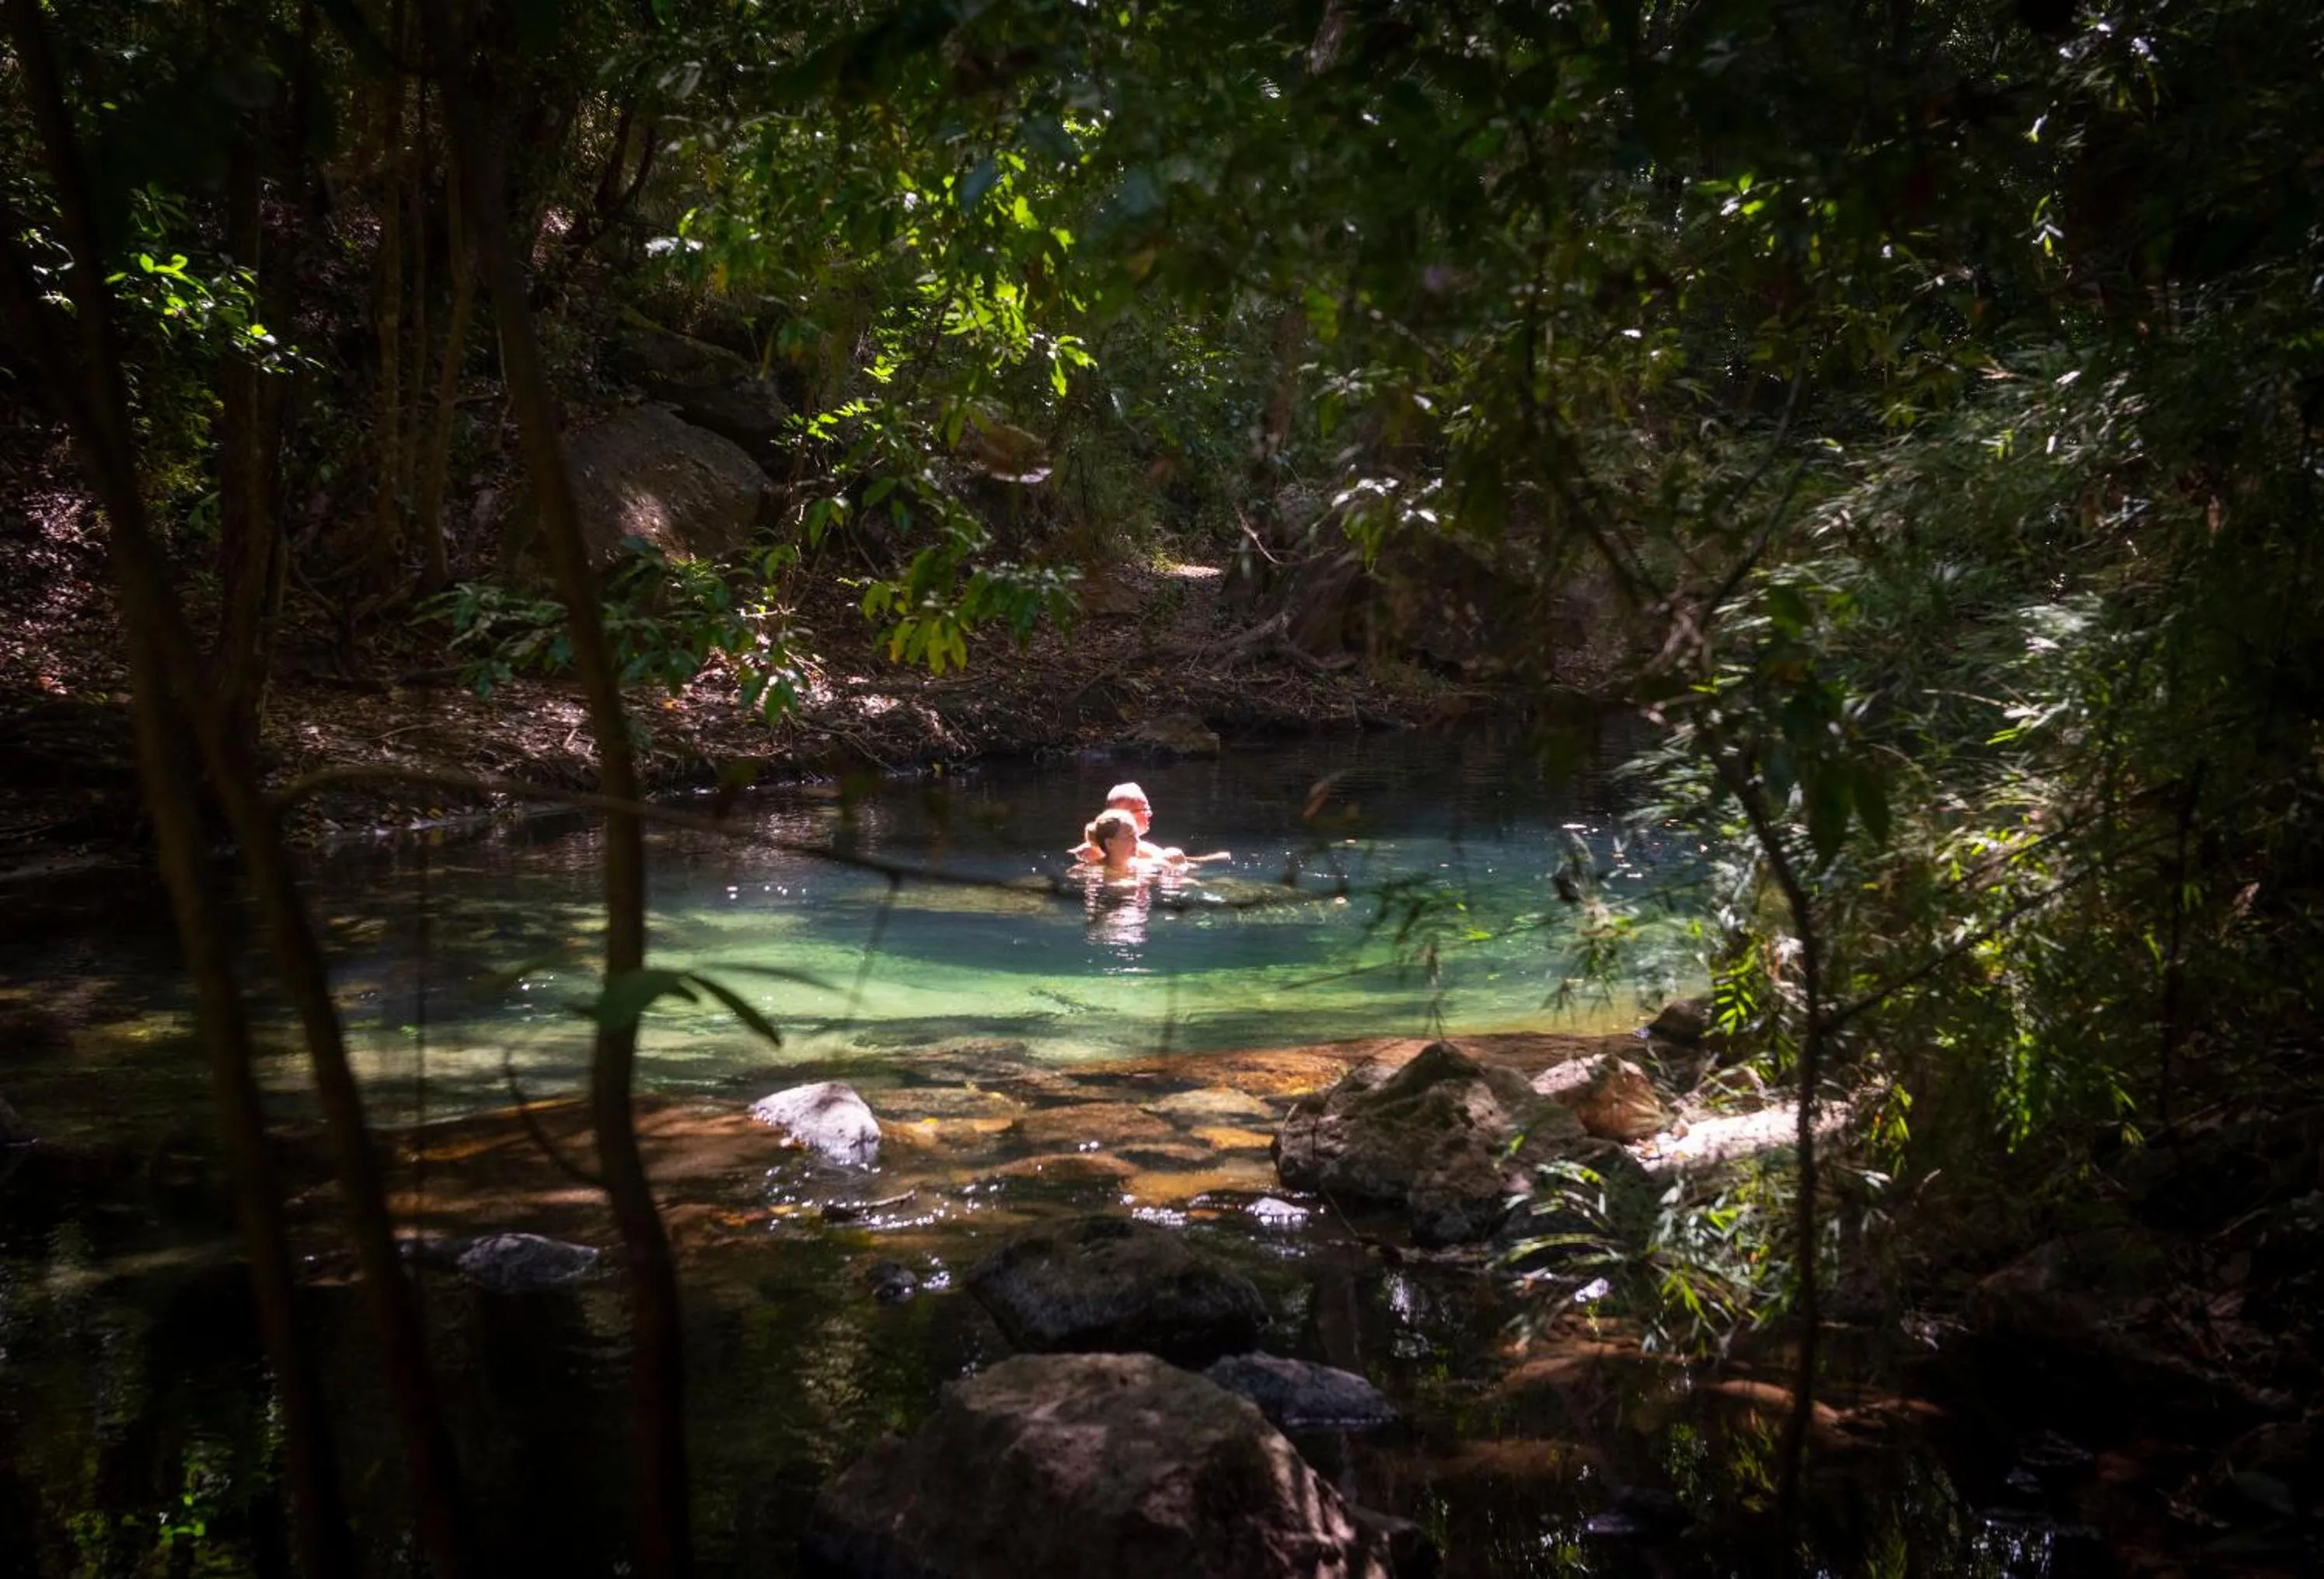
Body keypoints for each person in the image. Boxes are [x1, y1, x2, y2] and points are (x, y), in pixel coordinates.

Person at [1074, 808, 1149, 879]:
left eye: (1136, 835)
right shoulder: (1087, 874)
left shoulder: (1145, 868)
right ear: (1109, 843)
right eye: (1130, 836)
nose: (1137, 840)